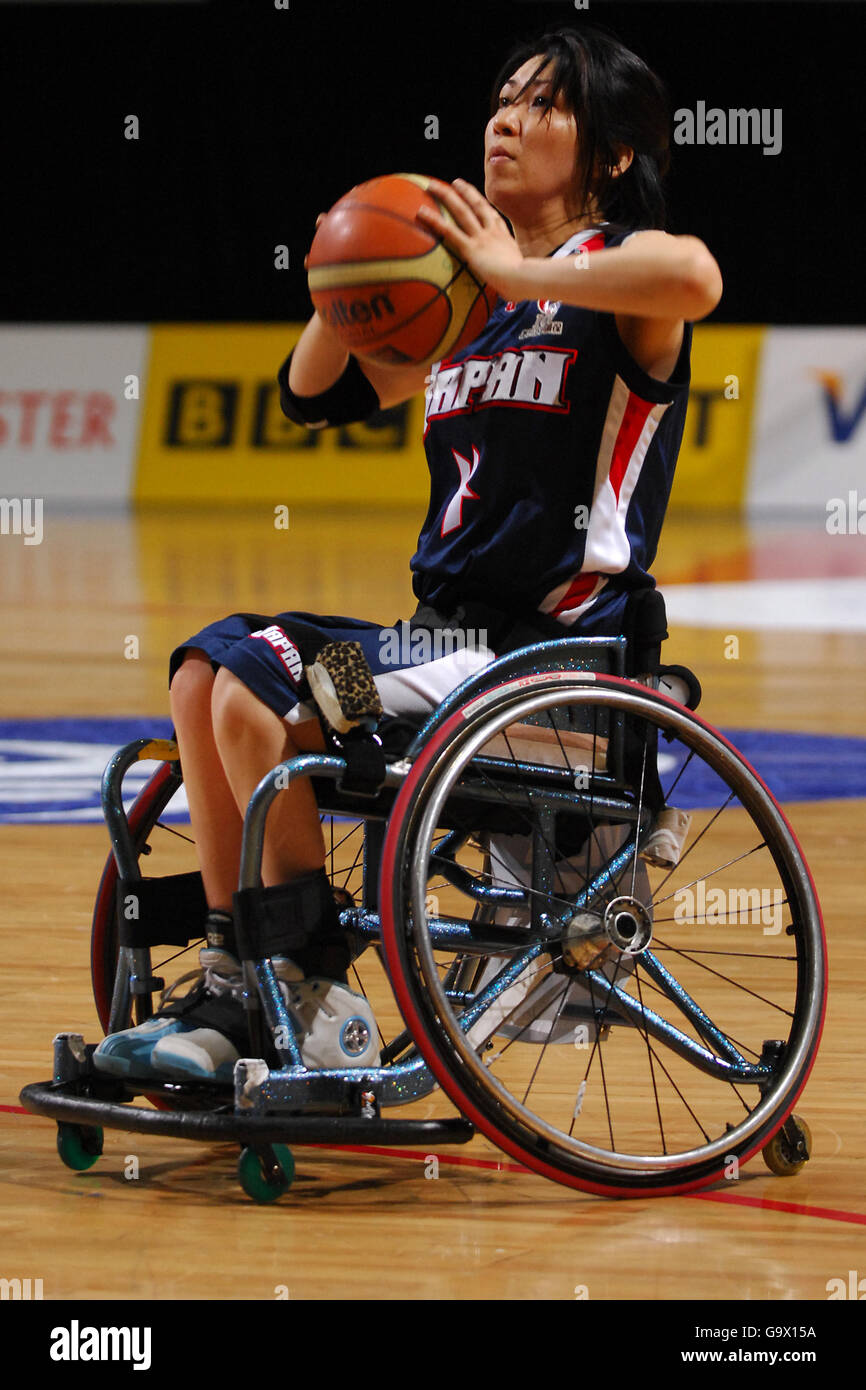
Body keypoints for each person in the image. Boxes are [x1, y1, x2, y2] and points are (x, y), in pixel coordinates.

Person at [94, 23, 722, 1084]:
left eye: (543, 104)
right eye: (500, 99)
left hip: (547, 655)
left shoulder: (612, 279)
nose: (505, 121)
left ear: (612, 155)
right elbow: (315, 394)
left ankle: (305, 988)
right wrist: (344, 270)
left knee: (264, 682)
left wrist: (513, 267)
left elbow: (695, 276)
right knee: (214, 662)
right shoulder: (463, 304)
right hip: (440, 647)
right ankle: (241, 977)